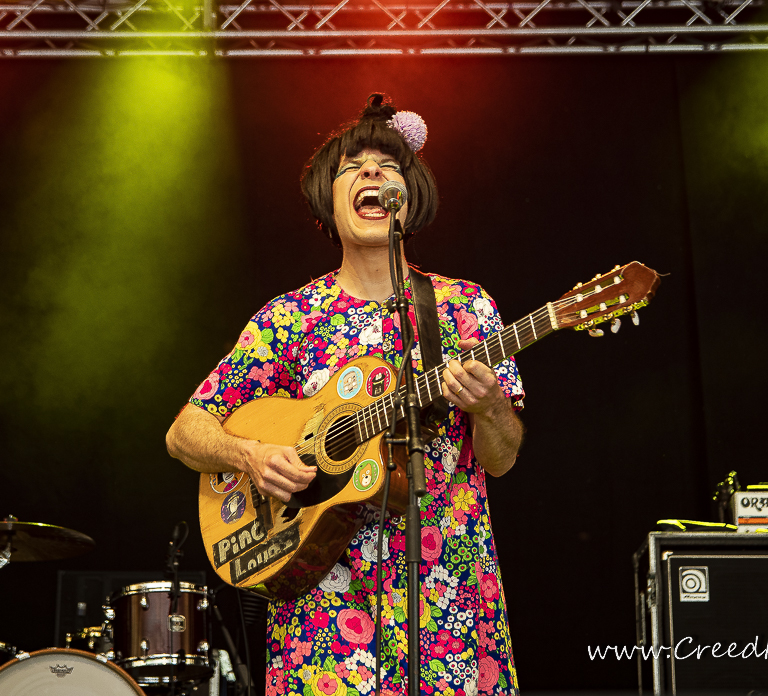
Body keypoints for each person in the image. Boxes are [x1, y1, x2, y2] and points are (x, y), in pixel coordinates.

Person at [166, 94, 524, 696]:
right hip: (321, 625)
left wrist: (489, 406)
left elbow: (501, 457)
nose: (372, 173)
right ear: (328, 203)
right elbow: (184, 431)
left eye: (389, 165)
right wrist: (250, 455)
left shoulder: (465, 308)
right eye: (352, 167)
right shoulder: (288, 319)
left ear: (411, 195)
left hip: (452, 606)